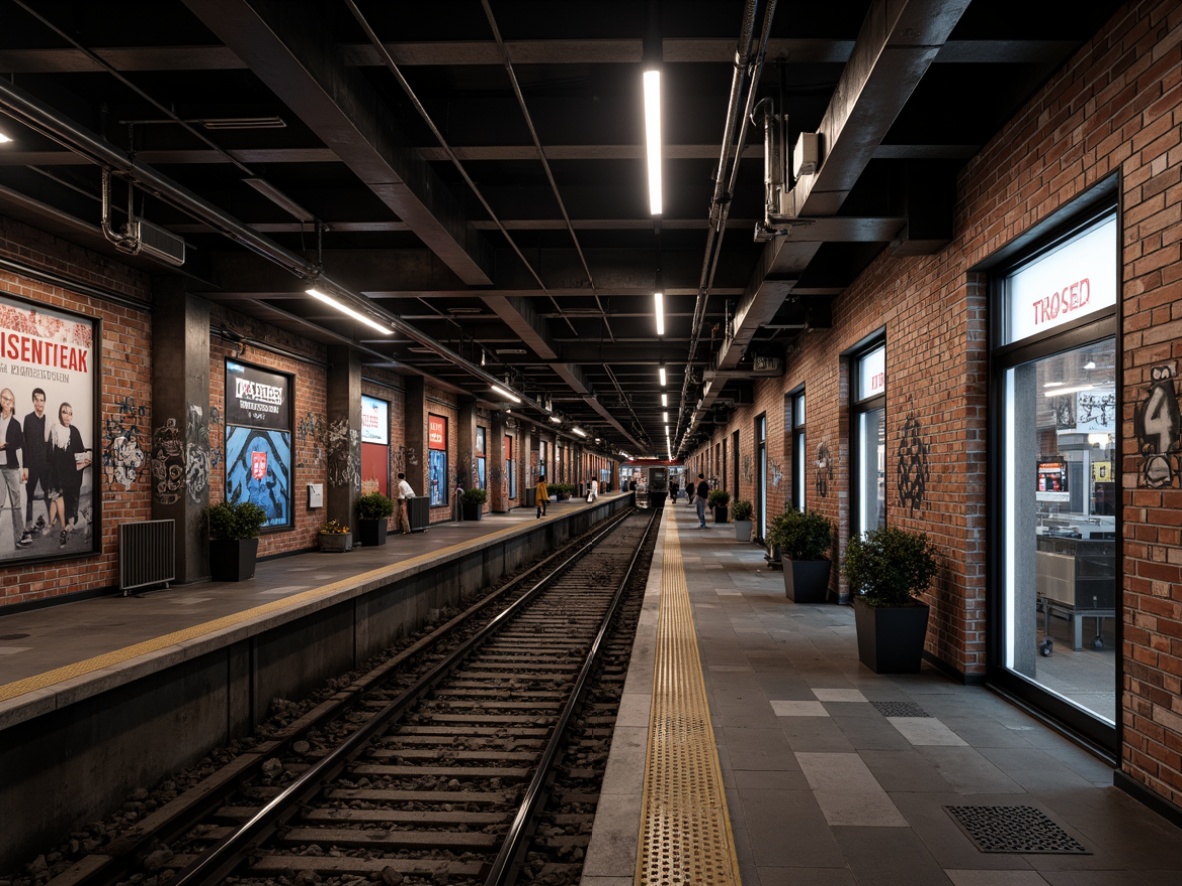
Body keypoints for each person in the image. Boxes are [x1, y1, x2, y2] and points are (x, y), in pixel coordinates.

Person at [46, 401, 90, 548]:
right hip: (59, 478)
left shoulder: (75, 431)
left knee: (73, 512)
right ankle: (64, 532)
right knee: (63, 509)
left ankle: (70, 525)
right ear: (60, 413)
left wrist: (85, 460)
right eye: (65, 412)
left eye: (70, 413)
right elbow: (49, 457)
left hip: (73, 477)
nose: (67, 416)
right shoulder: (55, 431)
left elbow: (82, 453)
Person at [0, 388, 30, 550]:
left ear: (13, 404)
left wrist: (6, 445)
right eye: (4, 398)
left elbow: (20, 444)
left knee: (16, 503)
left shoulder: (16, 424)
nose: (6, 402)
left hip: (11, 467)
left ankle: (19, 538)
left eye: (10, 400)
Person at [21, 387, 48, 544]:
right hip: (31, 465)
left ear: (45, 402)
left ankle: (45, 522)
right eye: (37, 399)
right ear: (33, 401)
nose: (39, 403)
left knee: (48, 494)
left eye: (42, 400)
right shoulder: (28, 419)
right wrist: (26, 466)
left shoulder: (47, 420)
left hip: (45, 466)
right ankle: (27, 527)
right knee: (29, 496)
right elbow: (25, 445)